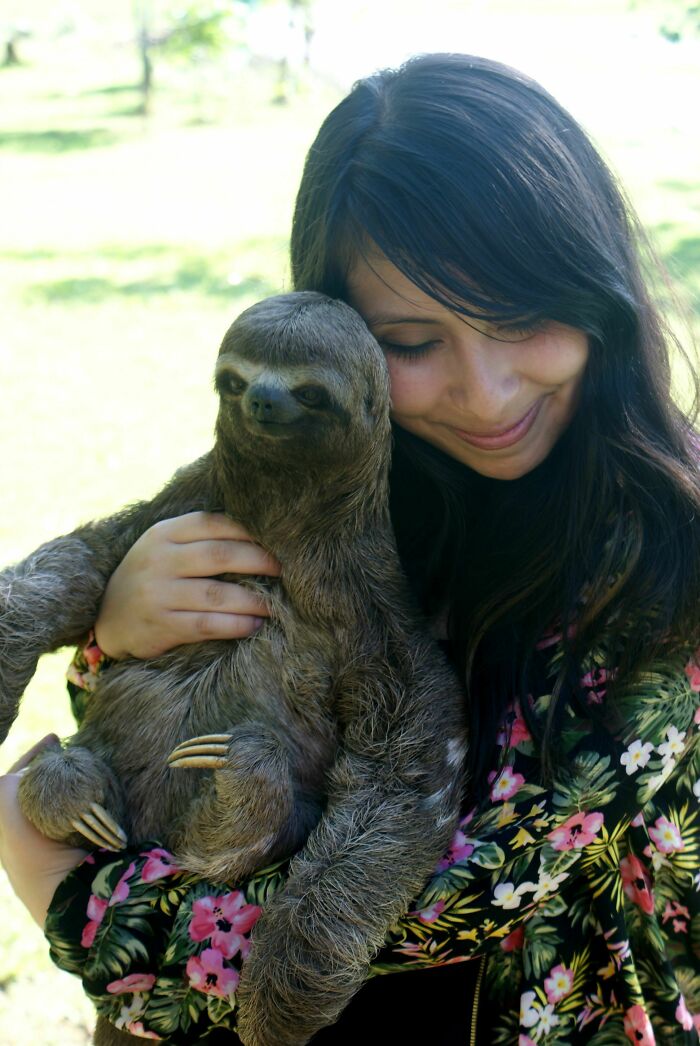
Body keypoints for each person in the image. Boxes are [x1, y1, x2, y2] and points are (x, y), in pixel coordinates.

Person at [1, 52, 699, 1044]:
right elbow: (180, 738)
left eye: (525, 321)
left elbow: (473, 888)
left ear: (601, 299)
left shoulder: (669, 561)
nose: (486, 391)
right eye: (412, 343)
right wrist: (117, 629)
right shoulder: (347, 472)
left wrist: (65, 890)